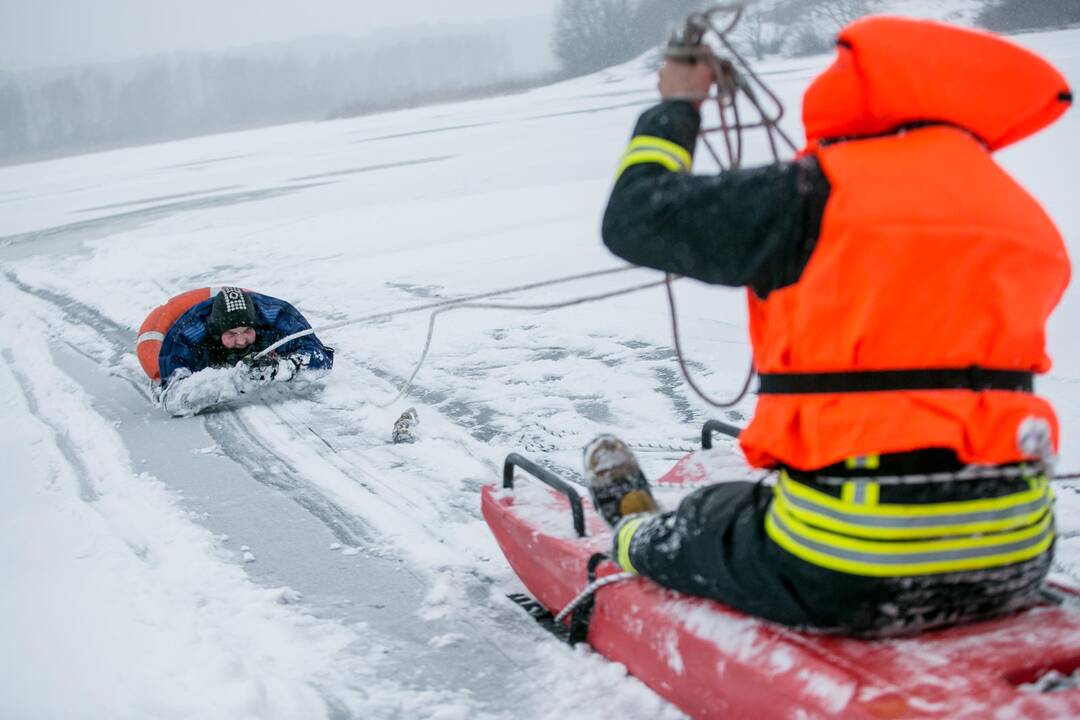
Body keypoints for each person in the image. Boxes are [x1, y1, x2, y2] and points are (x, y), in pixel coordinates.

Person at [588, 16, 1073, 637]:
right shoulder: (1021, 214)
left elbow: (635, 216)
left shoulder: (812, 193)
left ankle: (634, 533)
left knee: (709, 520)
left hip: (854, 565)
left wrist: (679, 103)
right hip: (1018, 553)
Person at [136, 286, 334, 415]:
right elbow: (174, 400)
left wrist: (282, 367)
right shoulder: (189, 334)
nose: (241, 340)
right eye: (231, 334)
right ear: (216, 332)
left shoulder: (275, 317)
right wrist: (236, 381)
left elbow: (320, 356)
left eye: (247, 331)